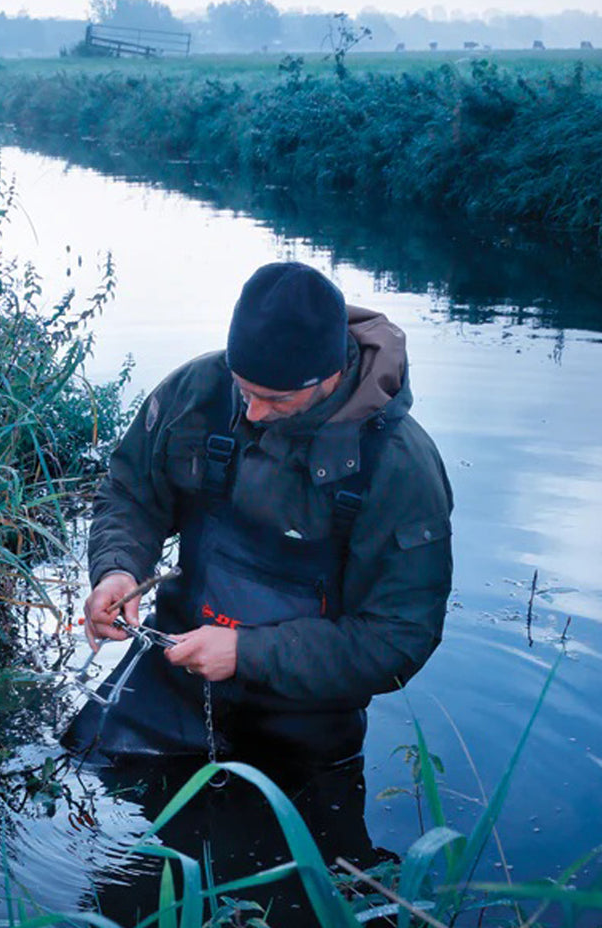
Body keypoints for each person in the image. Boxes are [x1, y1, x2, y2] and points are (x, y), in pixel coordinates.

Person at [62, 262, 453, 765]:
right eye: (244, 389)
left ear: (330, 376)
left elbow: (399, 639)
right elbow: (131, 493)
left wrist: (247, 654)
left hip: (304, 719)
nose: (252, 413)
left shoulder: (399, 466)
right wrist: (118, 570)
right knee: (79, 767)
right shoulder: (198, 391)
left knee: (280, 840)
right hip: (173, 677)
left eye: (275, 399)